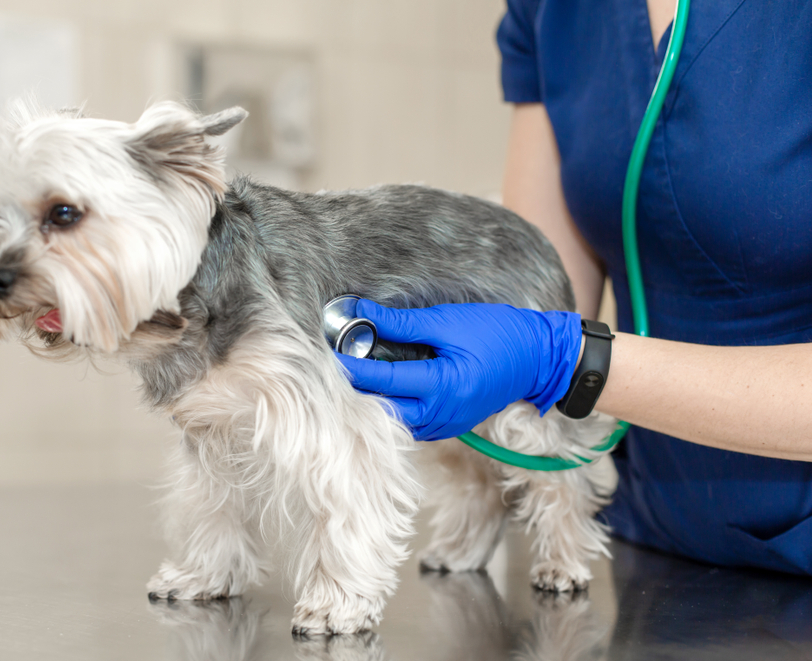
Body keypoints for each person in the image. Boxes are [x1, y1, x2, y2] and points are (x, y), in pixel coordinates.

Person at [338, 0, 812, 575]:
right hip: (653, 545)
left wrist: (570, 359)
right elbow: (540, 281)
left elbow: (552, 344)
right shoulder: (550, 11)